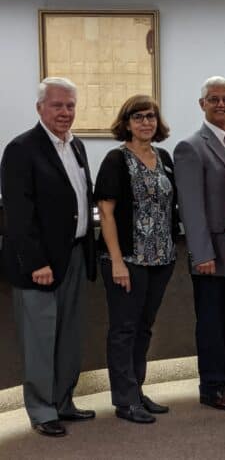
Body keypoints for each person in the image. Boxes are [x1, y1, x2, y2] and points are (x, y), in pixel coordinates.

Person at [1, 77, 96, 437]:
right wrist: (36, 261)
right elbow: (18, 214)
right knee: (40, 340)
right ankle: (42, 411)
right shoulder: (21, 149)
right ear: (40, 108)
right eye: (57, 105)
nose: (65, 112)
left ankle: (63, 401)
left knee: (69, 337)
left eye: (70, 105)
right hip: (39, 265)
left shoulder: (77, 146)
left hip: (74, 256)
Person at [94, 95, 178, 424]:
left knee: (144, 328)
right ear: (126, 123)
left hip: (161, 259)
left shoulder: (164, 157)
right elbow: (107, 213)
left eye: (151, 117)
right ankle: (125, 400)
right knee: (124, 330)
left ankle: (137, 390)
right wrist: (116, 261)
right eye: (138, 117)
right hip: (128, 259)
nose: (146, 122)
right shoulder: (116, 160)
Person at [174, 76, 225, 412]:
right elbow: (191, 206)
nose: (221, 104)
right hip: (211, 254)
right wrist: (200, 253)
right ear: (201, 104)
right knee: (213, 321)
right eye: (213, 99)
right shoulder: (191, 147)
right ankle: (213, 385)